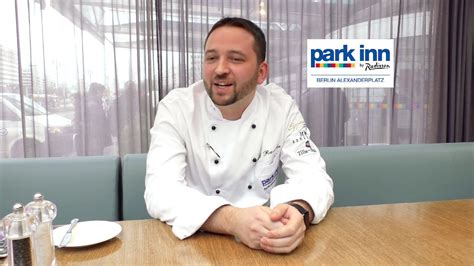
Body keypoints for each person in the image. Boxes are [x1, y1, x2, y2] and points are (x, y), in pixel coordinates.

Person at [145, 17, 334, 254]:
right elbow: (160, 191)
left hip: (266, 240)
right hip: (195, 243)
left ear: (261, 72)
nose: (220, 69)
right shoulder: (177, 107)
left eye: (235, 59)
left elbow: (314, 175)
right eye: (211, 58)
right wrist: (233, 219)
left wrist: (299, 211)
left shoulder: (281, 107)